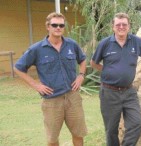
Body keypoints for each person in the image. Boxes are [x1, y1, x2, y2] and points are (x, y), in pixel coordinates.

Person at [90, 12, 141, 146]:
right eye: (118, 24)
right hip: (109, 92)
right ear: (113, 27)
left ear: (129, 26)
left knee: (136, 123)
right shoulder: (105, 43)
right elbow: (93, 63)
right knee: (111, 129)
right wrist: (107, 70)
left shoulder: (135, 41)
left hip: (129, 92)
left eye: (124, 24)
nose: (121, 27)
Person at [14, 12, 87, 146]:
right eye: (54, 25)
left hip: (73, 98)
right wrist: (37, 85)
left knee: (78, 134)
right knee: (52, 139)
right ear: (48, 26)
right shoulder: (36, 49)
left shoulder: (72, 45)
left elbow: (82, 60)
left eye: (61, 25)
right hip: (52, 101)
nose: (58, 28)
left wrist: (81, 76)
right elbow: (18, 68)